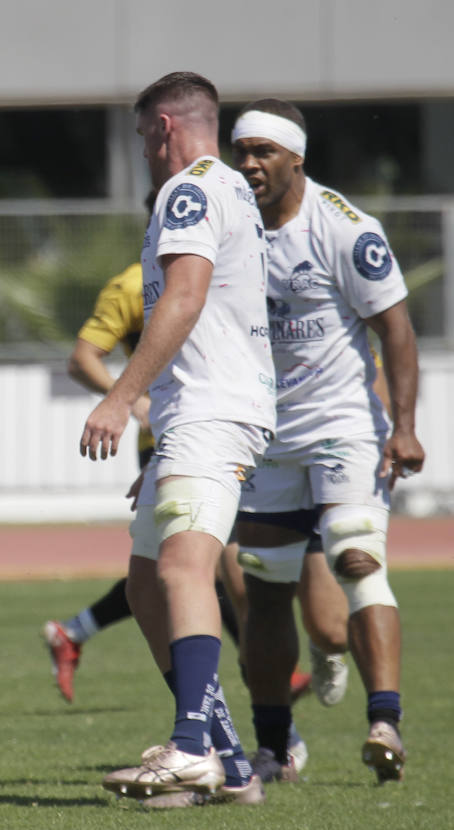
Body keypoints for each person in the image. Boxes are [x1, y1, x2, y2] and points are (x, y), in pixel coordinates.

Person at [80, 72, 273, 807]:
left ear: (163, 126)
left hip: (210, 411)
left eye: (139, 137)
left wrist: (120, 397)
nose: (141, 153)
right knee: (144, 579)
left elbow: (186, 299)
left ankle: (191, 749)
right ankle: (231, 763)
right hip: (199, 414)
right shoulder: (229, 189)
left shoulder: (188, 190)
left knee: (184, 571)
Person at [229, 99, 424, 784]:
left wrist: (403, 425)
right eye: (241, 151)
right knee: (267, 587)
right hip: (266, 436)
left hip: (342, 425)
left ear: (296, 157)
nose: (249, 164)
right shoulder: (229, 229)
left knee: (357, 560)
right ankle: (275, 747)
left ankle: (385, 722)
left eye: (263, 152)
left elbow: (396, 330)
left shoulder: (345, 229)